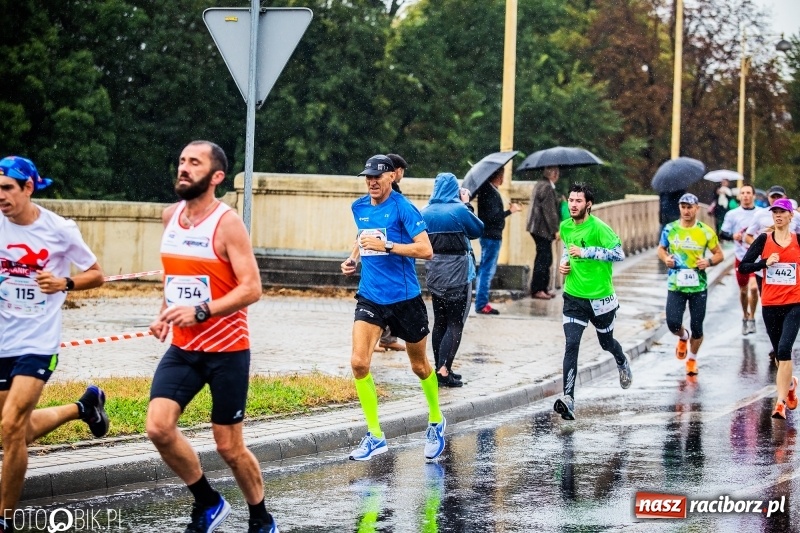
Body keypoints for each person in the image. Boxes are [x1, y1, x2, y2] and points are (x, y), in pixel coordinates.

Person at [146, 141, 277, 533]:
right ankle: (208, 501)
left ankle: (261, 519)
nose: (184, 168)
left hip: (227, 351)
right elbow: (176, 276)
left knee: (229, 446)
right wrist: (165, 312)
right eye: (182, 160)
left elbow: (252, 287)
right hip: (184, 347)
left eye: (195, 163)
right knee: (158, 427)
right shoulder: (170, 216)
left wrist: (201, 310)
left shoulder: (227, 223)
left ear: (216, 176)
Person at [0, 156, 107, 531]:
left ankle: (4, 518)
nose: (1, 196)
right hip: (3, 340)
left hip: (38, 342)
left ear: (28, 187)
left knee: (10, 425)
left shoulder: (59, 229)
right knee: (16, 430)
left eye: (7, 188)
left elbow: (97, 274)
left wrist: (65, 283)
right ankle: (84, 407)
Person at [340, 154, 446, 462]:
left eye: (378, 176)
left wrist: (387, 246)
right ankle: (375, 435)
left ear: (392, 177)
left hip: (405, 299)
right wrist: (353, 259)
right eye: (368, 177)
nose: (372, 181)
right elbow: (363, 236)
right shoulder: (359, 207)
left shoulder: (403, 208)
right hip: (371, 297)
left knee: (419, 366)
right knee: (359, 363)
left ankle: (436, 420)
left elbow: (426, 250)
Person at [553, 183, 632, 420]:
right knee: (571, 345)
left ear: (588, 204)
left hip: (600, 299)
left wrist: (586, 252)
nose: (573, 204)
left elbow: (618, 253)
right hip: (574, 296)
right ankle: (569, 399)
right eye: (571, 200)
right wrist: (564, 263)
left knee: (606, 343)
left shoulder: (599, 228)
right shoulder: (565, 226)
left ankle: (621, 360)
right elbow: (567, 249)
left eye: (578, 201)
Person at [738, 198, 800, 420]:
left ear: (791, 215)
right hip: (771, 304)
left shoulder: (798, 240)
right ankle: (790, 385)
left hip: (795, 303)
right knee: (779, 355)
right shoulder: (764, 239)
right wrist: (764, 263)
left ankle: (780, 403)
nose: (778, 215)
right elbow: (744, 266)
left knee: (784, 350)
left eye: (782, 212)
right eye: (775, 212)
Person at [421, 172, 484, 387]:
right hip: (458, 274)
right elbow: (477, 230)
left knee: (440, 321)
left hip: (435, 273)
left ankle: (440, 367)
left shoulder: (425, 211)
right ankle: (444, 370)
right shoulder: (459, 210)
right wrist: (466, 204)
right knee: (455, 323)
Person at [657, 193, 724, 377]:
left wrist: (708, 262)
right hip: (676, 285)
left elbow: (719, 254)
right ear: (680, 208)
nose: (686, 211)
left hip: (698, 286)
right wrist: (666, 259)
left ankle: (692, 359)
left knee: (697, 327)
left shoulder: (705, 231)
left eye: (690, 207)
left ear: (697, 208)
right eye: (683, 207)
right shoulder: (670, 229)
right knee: (673, 323)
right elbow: (661, 249)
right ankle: (683, 336)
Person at [374, 153, 409, 353]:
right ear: (397, 172)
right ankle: (379, 339)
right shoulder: (390, 196)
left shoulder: (394, 196)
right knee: (384, 298)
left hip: (387, 251)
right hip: (385, 253)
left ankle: (387, 338)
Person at [474, 167, 522, 315]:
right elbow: (493, 217)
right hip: (491, 236)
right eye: (502, 175)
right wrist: (510, 211)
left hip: (489, 235)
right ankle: (482, 304)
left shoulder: (488, 191)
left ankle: (481, 302)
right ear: (497, 176)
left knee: (485, 269)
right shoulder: (490, 193)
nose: (503, 179)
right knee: (487, 270)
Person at [719, 184, 762, 335]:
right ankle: (745, 316)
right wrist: (733, 236)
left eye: (748, 193)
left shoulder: (761, 213)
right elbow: (722, 234)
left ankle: (752, 318)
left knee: (754, 288)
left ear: (753, 196)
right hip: (740, 257)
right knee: (744, 291)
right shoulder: (732, 214)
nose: (745, 196)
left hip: (756, 258)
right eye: (743, 193)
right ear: (739, 196)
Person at [526, 166, 561, 300]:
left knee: (544, 257)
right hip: (542, 229)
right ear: (554, 174)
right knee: (544, 259)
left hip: (536, 227)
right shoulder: (547, 187)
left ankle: (542, 288)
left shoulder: (541, 184)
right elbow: (549, 211)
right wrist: (555, 229)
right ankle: (538, 289)